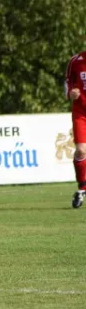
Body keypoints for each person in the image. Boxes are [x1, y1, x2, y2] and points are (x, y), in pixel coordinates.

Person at [66, 49, 86, 208]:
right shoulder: (76, 61)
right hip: (81, 113)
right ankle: (82, 188)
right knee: (81, 151)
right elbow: (68, 82)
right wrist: (70, 93)